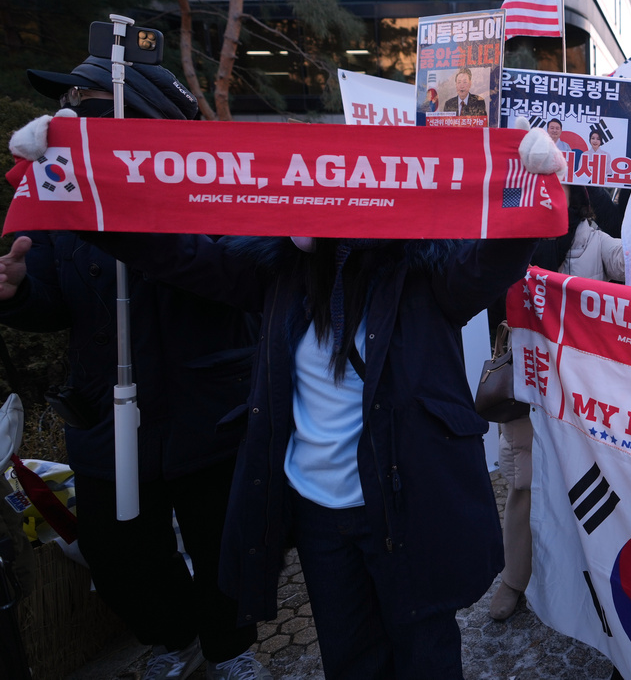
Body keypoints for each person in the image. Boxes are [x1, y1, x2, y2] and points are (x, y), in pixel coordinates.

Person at [72, 128, 567, 678]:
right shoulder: (278, 274)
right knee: (351, 657)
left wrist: (532, 189)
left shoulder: (425, 276)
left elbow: (490, 264)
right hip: (318, 515)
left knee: (423, 651)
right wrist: (80, 197)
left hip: (406, 505)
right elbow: (180, 254)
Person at [0, 58, 269, 680]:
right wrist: (15, 295)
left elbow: (232, 275)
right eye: (67, 101)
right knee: (121, 553)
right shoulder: (55, 186)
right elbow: (48, 294)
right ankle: (173, 636)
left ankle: (231, 649)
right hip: (106, 418)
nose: (69, 115)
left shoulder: (213, 181)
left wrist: (119, 221)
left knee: (225, 543)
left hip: (211, 409)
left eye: (89, 103)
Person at [489, 186, 624, 621]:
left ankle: (586, 582)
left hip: (585, 393)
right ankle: (514, 578)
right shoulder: (510, 235)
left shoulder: (596, 241)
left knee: (588, 488)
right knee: (524, 484)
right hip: (528, 384)